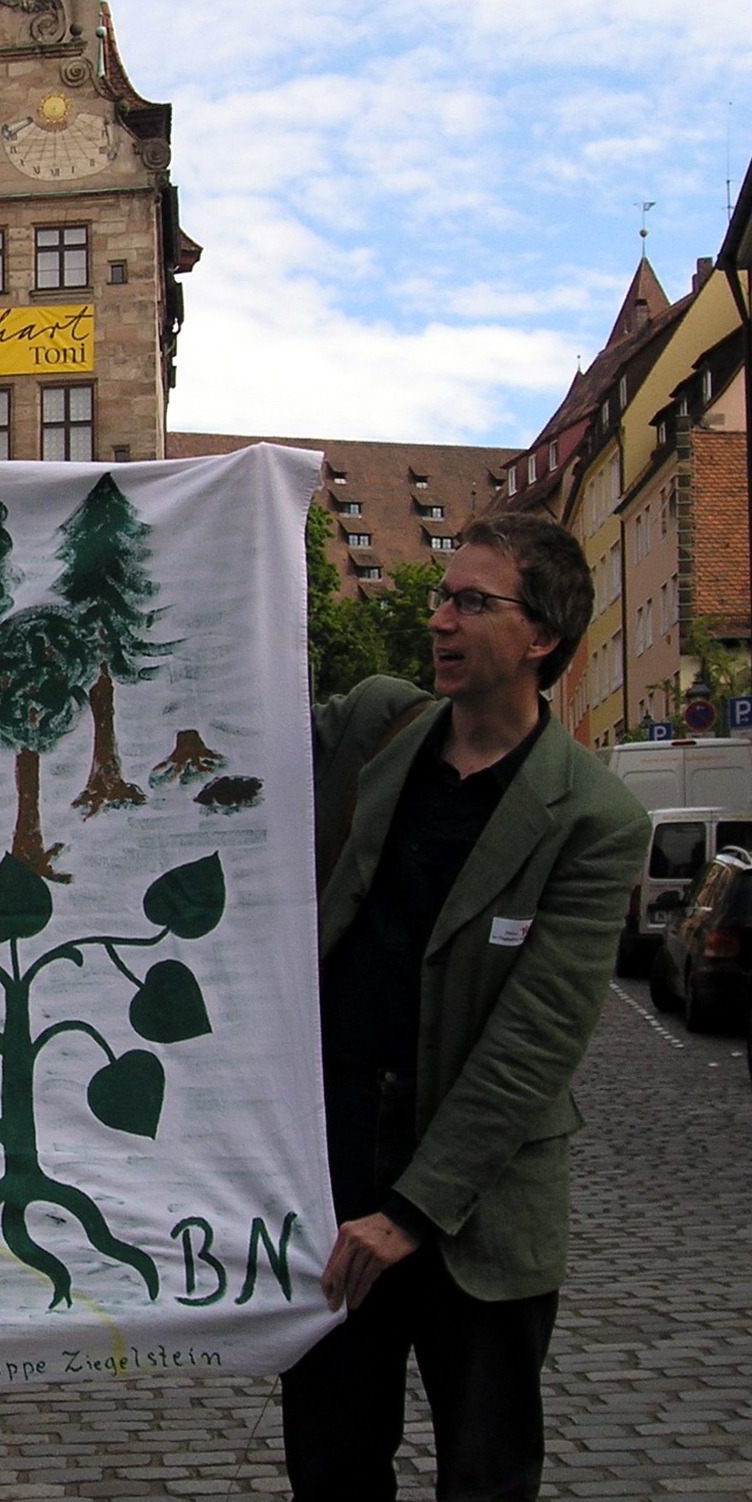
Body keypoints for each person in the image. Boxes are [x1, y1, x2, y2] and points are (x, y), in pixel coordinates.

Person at [284, 512, 648, 1501]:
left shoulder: (593, 820)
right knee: (332, 1469)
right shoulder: (378, 724)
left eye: (471, 602)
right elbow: (244, 729)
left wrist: (409, 1213)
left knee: (486, 1478)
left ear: (540, 638)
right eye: (443, 596)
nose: (439, 617)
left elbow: (533, 1048)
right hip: (340, 1177)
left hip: (479, 1213)